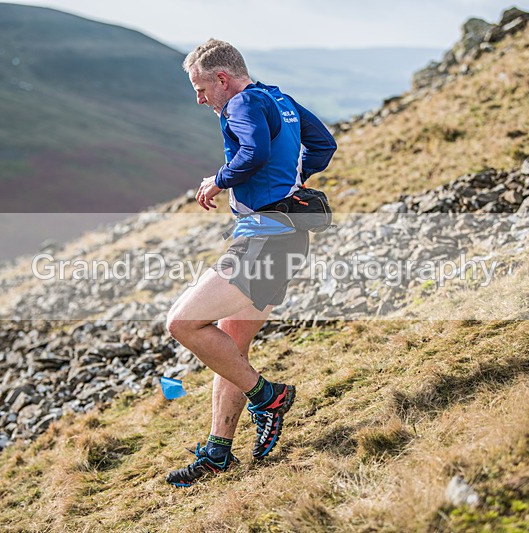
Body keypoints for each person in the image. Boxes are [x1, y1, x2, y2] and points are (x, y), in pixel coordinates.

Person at [164, 38, 336, 487]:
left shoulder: (241, 104)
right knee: (231, 347)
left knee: (182, 323)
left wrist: (218, 181)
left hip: (265, 241)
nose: (200, 99)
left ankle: (268, 397)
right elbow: (323, 144)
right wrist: (291, 180)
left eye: (202, 89)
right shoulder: (280, 100)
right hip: (287, 238)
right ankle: (218, 452)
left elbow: (254, 152)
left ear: (222, 79)